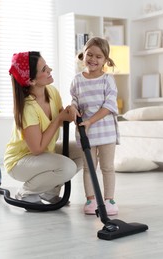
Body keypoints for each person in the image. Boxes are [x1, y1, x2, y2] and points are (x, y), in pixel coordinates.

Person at [4, 51, 82, 204]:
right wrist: (60, 118)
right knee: (67, 167)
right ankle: (26, 192)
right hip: (20, 161)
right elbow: (37, 149)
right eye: (44, 69)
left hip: (44, 155)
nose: (50, 70)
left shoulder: (51, 92)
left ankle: (48, 192)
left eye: (47, 66)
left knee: (86, 152)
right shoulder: (28, 108)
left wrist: (70, 110)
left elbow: (61, 119)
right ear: (31, 81)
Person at [69, 37, 120, 215]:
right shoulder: (77, 80)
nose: (93, 59)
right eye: (89, 54)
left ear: (105, 59)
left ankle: (109, 200)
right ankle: (90, 200)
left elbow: (109, 106)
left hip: (106, 132)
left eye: (99, 56)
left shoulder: (108, 80)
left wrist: (91, 121)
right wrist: (74, 109)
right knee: (89, 168)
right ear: (83, 55)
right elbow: (74, 101)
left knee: (107, 167)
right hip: (86, 133)